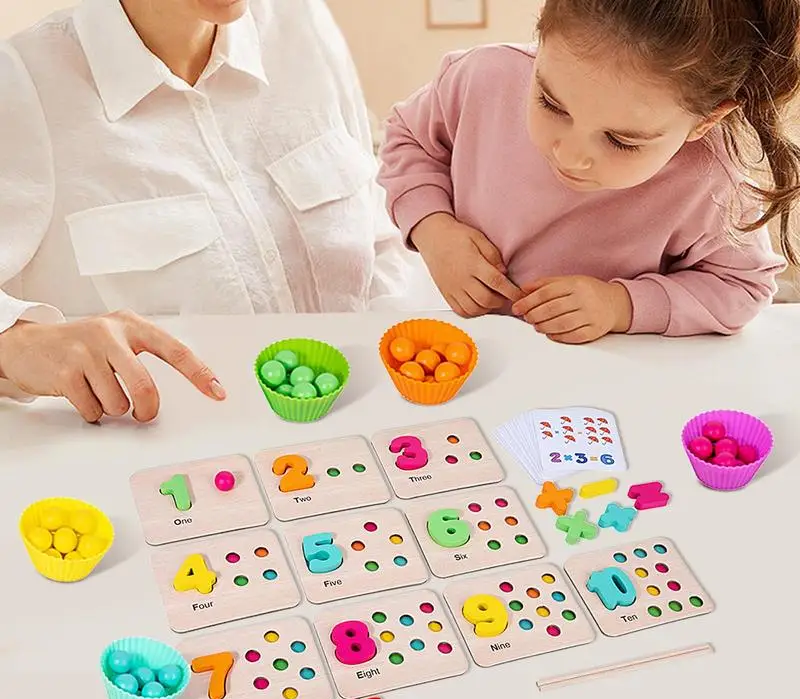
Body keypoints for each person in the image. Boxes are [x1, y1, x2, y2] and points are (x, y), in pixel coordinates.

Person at [0, 0, 427, 422]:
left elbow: (377, 240)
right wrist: (17, 344)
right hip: (169, 453)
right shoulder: (22, 82)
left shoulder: (303, 25)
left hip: (365, 431)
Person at [378, 0, 800, 344]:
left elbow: (742, 287)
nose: (570, 157)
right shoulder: (482, 78)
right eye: (551, 104)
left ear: (705, 121)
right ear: (541, 33)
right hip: (458, 343)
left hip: (603, 378)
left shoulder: (713, 180)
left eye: (621, 141)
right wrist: (433, 229)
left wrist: (621, 305)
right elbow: (409, 138)